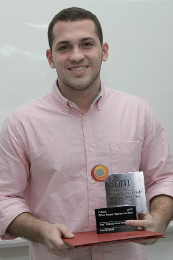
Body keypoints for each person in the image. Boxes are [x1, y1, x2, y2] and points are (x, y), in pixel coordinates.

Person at [0, 7, 173, 260]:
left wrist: (159, 218)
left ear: (104, 51)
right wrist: (42, 230)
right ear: (50, 58)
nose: (76, 55)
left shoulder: (139, 111)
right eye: (64, 47)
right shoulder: (21, 124)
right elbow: (4, 198)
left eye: (86, 44)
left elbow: (163, 179)